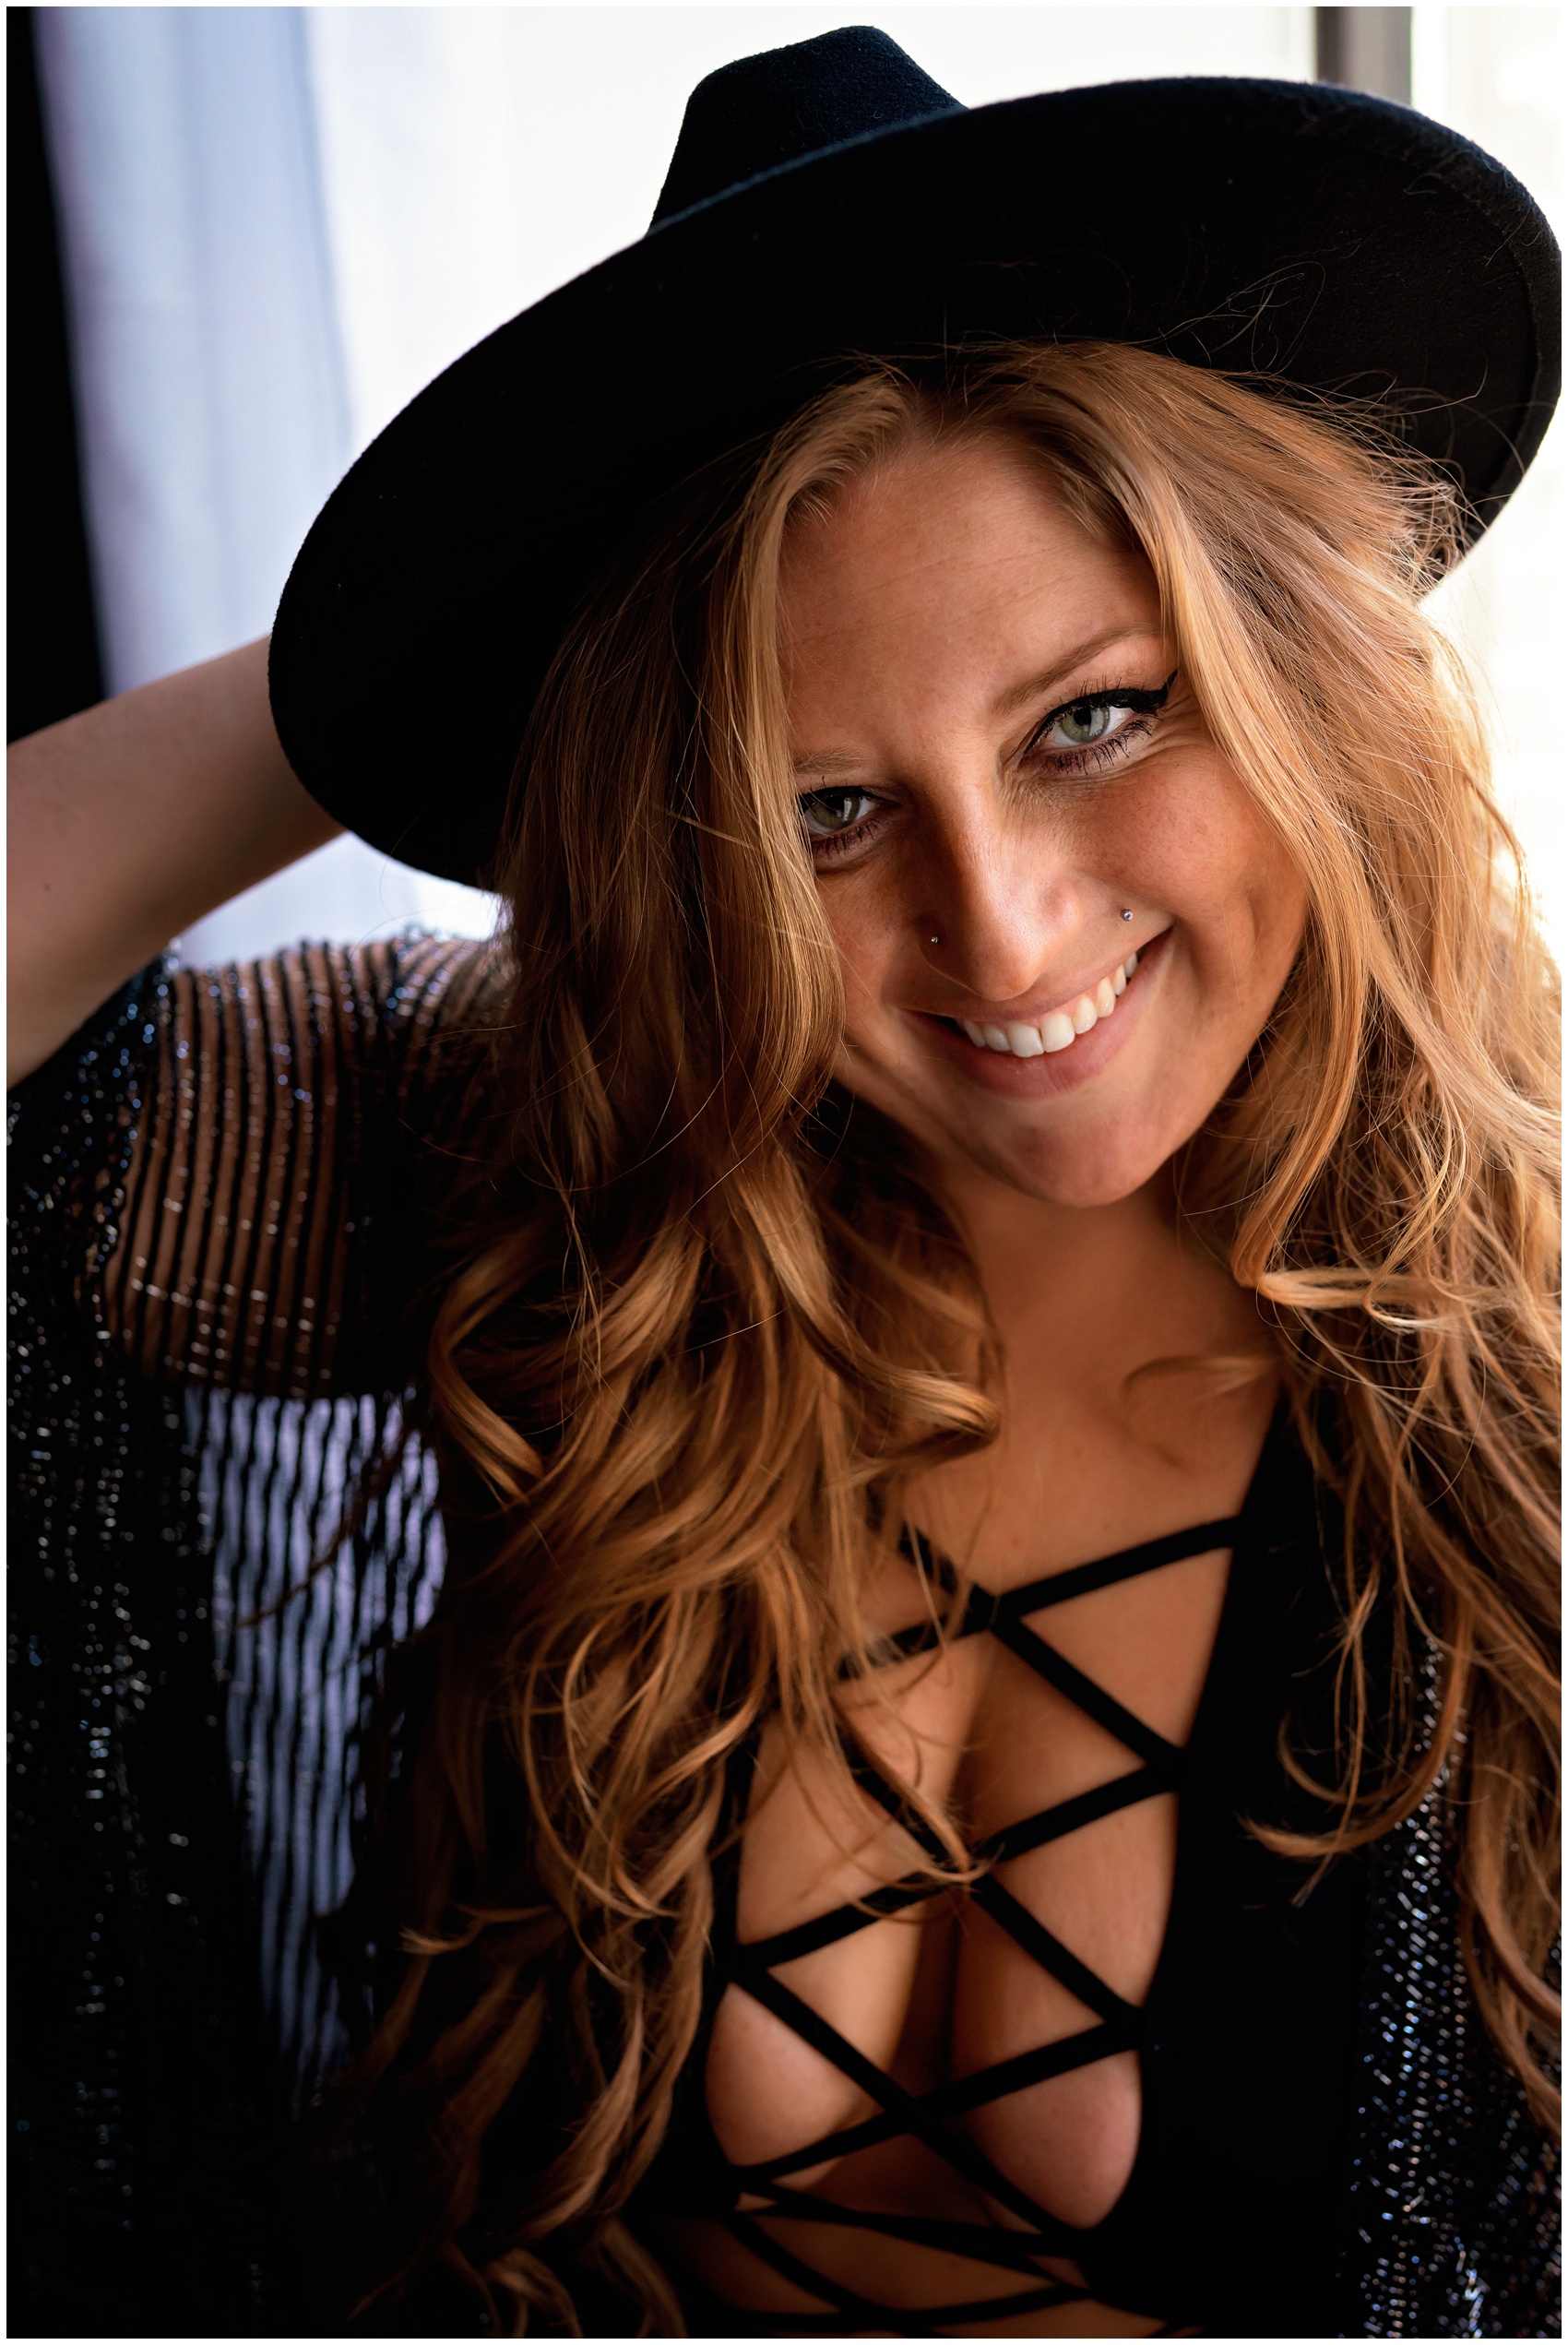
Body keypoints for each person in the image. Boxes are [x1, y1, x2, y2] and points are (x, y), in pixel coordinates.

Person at [8, 29, 1561, 2340]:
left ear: (1305, 676)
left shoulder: (1533, 1375)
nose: (1004, 931)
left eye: (1092, 715)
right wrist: (413, 656)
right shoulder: (524, 1162)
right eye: (821, 810)